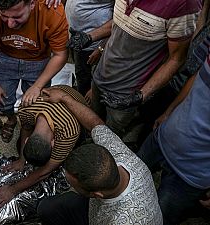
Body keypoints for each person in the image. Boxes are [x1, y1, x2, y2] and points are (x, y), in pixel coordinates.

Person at [36, 86, 162, 225]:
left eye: (72, 185)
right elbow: (95, 124)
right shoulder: (121, 155)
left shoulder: (125, 220)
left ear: (96, 195)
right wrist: (64, 98)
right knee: (47, 208)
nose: (70, 187)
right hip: (94, 211)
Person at [90, 0, 202, 145]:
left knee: (109, 138)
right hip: (101, 77)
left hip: (126, 94)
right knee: (93, 122)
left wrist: (141, 95)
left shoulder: (184, 4)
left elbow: (176, 59)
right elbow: (124, 22)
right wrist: (92, 37)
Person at [137, 33, 210, 224]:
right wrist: (169, 111)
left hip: (190, 174)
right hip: (163, 138)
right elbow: (197, 78)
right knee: (131, 178)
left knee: (157, 220)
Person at [0, 0, 69, 143]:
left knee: (36, 103)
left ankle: (27, 127)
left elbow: (60, 55)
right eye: (4, 16)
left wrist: (37, 86)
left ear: (32, 4)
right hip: (4, 57)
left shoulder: (52, 11)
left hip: (38, 61)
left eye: (17, 17)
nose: (10, 24)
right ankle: (11, 118)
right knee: (2, 101)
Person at [0, 85, 85, 208]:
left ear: (54, 143)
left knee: (67, 161)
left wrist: (13, 190)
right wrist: (21, 159)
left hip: (75, 102)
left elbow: (46, 171)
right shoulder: (26, 107)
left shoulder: (69, 132)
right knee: (20, 147)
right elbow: (26, 128)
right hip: (49, 104)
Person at [65, 0, 114, 96]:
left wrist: (101, 48)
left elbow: (121, 21)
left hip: (94, 46)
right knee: (81, 75)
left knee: (93, 86)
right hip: (77, 40)